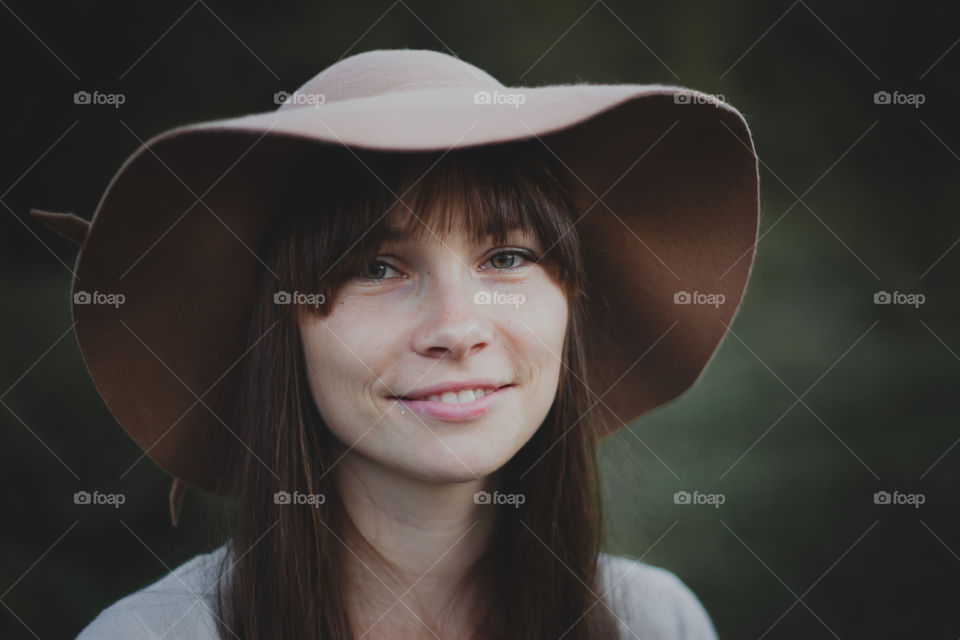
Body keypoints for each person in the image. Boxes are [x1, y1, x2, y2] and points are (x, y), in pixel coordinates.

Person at [34, 48, 760, 639]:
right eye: (376, 268)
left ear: (572, 299)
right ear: (280, 324)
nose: (456, 328)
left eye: (507, 257)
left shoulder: (657, 623)